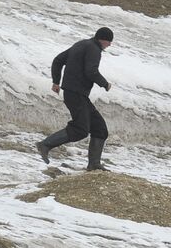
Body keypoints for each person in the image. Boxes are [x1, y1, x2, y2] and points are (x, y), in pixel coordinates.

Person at [36, 26, 115, 170]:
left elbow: (58, 60)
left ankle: (94, 164)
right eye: (109, 42)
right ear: (103, 40)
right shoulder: (94, 49)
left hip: (76, 95)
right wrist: (105, 84)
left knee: (100, 128)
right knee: (80, 129)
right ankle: (45, 144)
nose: (109, 45)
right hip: (76, 94)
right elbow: (91, 71)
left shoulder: (81, 44)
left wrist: (56, 81)